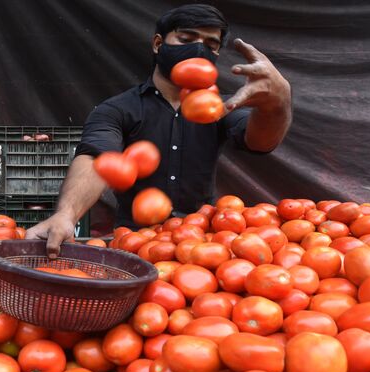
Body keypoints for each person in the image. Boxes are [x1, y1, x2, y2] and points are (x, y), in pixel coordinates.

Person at [27, 4, 292, 258]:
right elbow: (97, 158)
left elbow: (259, 141)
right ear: (158, 44)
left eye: (210, 45)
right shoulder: (118, 109)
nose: (198, 49)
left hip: (200, 242)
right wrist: (67, 214)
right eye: (186, 38)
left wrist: (277, 105)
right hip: (134, 241)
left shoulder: (220, 108)